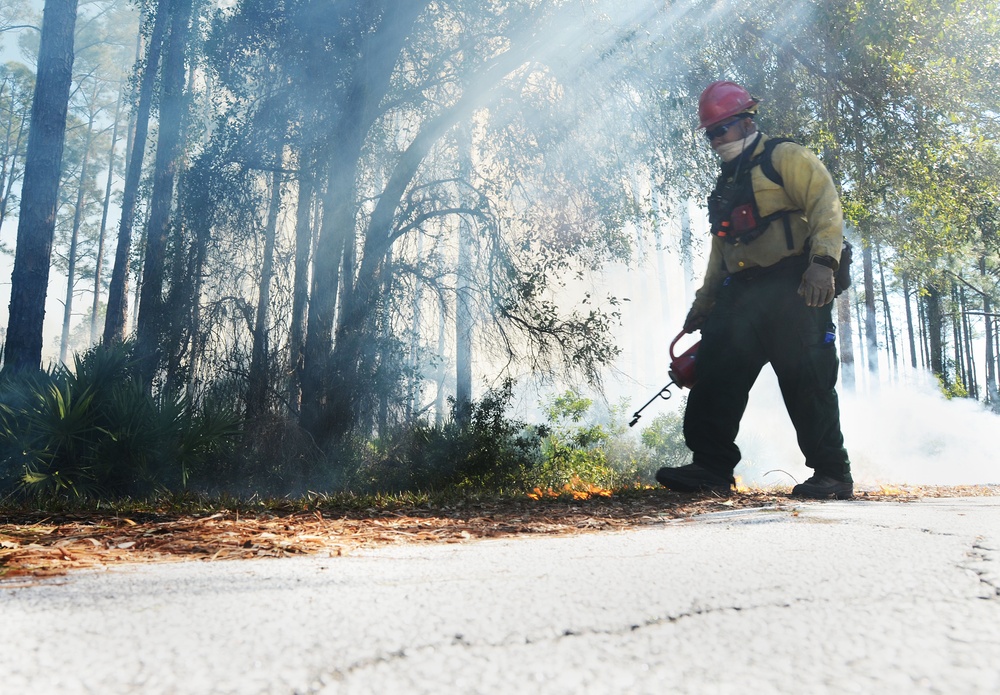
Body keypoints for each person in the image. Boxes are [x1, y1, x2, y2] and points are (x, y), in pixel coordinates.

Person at [655, 80, 853, 499]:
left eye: (719, 130)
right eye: (709, 134)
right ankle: (710, 468)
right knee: (715, 374)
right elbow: (720, 250)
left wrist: (823, 264)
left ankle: (832, 474)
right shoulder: (727, 183)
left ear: (745, 122)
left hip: (794, 287)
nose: (713, 141)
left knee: (807, 379)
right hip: (740, 293)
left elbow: (826, 205)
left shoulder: (785, 157)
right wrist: (704, 304)